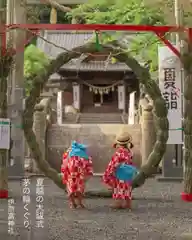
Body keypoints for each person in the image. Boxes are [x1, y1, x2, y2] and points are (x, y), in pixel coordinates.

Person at [103, 132, 137, 209]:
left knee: (119, 188)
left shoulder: (119, 152)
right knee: (127, 188)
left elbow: (113, 163)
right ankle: (128, 204)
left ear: (118, 143)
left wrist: (109, 173)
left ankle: (118, 204)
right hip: (128, 173)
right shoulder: (129, 151)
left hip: (120, 173)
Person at [61, 141, 93, 209]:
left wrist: (64, 174)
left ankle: (72, 203)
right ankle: (79, 203)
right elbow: (89, 164)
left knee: (71, 190)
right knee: (80, 190)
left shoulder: (68, 153)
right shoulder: (85, 154)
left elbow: (64, 164)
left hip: (70, 175)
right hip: (81, 176)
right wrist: (88, 174)